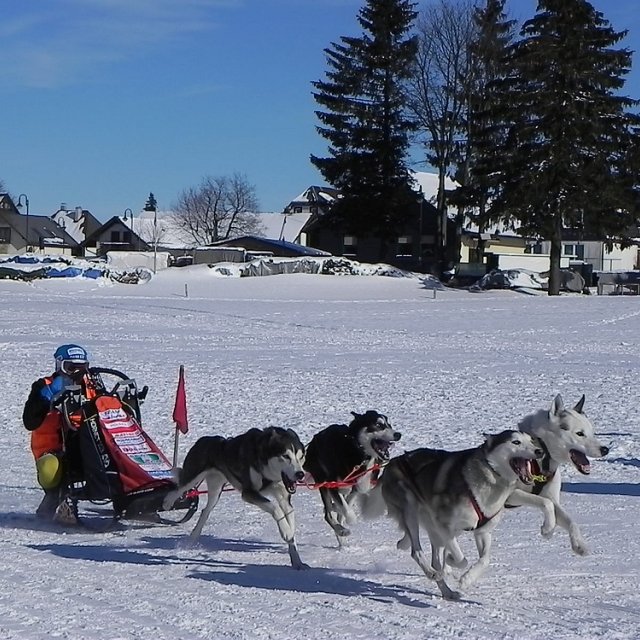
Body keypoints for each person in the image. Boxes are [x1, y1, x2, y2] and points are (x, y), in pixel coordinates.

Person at [22, 344, 93, 522]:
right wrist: (48, 395)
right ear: (59, 366)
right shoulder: (43, 386)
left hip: (87, 444)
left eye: (82, 368)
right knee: (50, 470)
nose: (76, 374)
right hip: (53, 451)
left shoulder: (91, 386)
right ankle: (55, 497)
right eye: (71, 368)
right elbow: (29, 421)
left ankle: (132, 497)